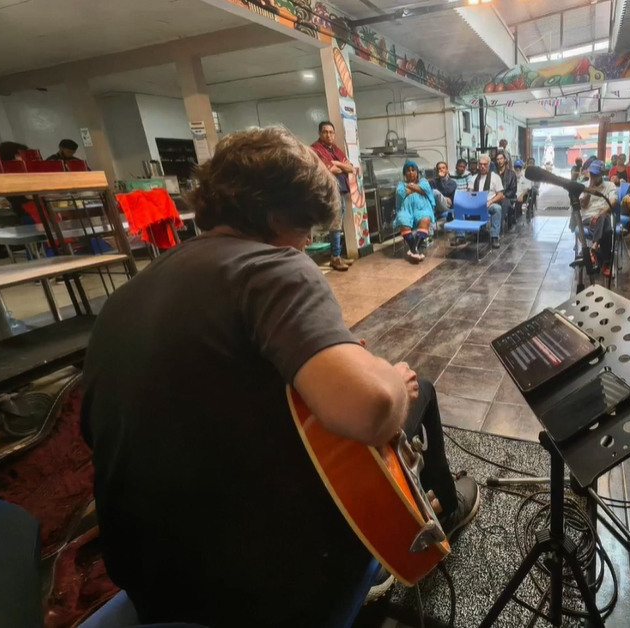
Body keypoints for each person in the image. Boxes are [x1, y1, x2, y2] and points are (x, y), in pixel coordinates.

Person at [80, 126, 480, 628]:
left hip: (148, 580)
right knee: (415, 389)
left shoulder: (125, 298)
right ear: (272, 217)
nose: (308, 243)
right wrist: (393, 382)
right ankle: (441, 514)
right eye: (304, 228)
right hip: (266, 595)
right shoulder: (272, 267)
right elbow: (370, 409)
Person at [311, 121, 356, 272]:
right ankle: (335, 257)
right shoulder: (315, 149)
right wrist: (337, 166)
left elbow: (350, 168)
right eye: (325, 132)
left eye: (331, 132)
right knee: (335, 223)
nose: (328, 135)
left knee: (338, 223)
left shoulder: (336, 150)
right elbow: (329, 169)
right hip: (329, 191)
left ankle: (337, 255)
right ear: (319, 134)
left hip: (341, 190)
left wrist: (337, 163)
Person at [579, 160, 618, 277]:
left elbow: (613, 201)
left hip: (603, 217)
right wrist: (590, 189)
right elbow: (583, 205)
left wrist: (599, 214)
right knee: (607, 229)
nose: (594, 177)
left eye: (597, 174)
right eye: (592, 174)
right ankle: (605, 263)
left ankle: (594, 247)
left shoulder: (610, 185)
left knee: (605, 221)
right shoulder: (584, 185)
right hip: (587, 219)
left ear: (602, 174)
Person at [395, 160, 436, 263]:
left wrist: (410, 187)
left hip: (422, 208)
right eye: (408, 170)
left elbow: (425, 189)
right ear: (405, 173)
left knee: (425, 219)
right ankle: (415, 249)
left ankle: (414, 249)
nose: (411, 172)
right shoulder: (400, 184)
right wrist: (417, 189)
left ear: (417, 172)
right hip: (406, 209)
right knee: (402, 220)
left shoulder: (423, 181)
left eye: (413, 170)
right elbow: (401, 193)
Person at [469, 153, 505, 249]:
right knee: (461, 207)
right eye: (480, 164)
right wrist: (472, 199)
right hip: (476, 205)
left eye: (485, 164)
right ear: (478, 165)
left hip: (490, 203)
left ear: (489, 165)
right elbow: (469, 192)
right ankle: (461, 235)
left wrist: (491, 202)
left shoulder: (495, 177)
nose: (482, 166)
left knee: (497, 208)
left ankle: (494, 237)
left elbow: (500, 194)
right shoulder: (473, 178)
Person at [496, 151, 517, 228]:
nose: (499, 161)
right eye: (497, 159)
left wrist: (504, 196)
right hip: (495, 197)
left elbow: (513, 189)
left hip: (507, 197)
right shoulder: (493, 174)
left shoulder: (511, 174)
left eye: (501, 158)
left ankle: (499, 228)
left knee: (504, 203)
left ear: (505, 160)